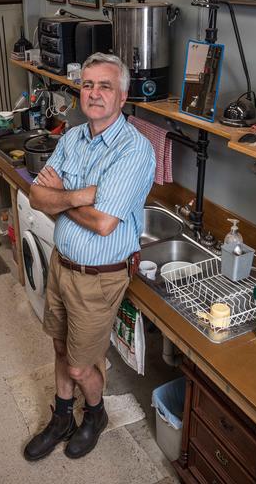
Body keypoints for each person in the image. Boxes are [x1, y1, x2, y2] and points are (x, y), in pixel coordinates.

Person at [23, 53, 155, 461]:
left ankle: (95, 413)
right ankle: (63, 415)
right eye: (88, 85)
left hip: (99, 277)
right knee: (61, 348)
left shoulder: (134, 151)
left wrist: (60, 199)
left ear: (123, 95)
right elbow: (36, 195)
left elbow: (103, 225)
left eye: (105, 86)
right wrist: (81, 195)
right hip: (61, 265)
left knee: (81, 367)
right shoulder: (72, 138)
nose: (94, 94)